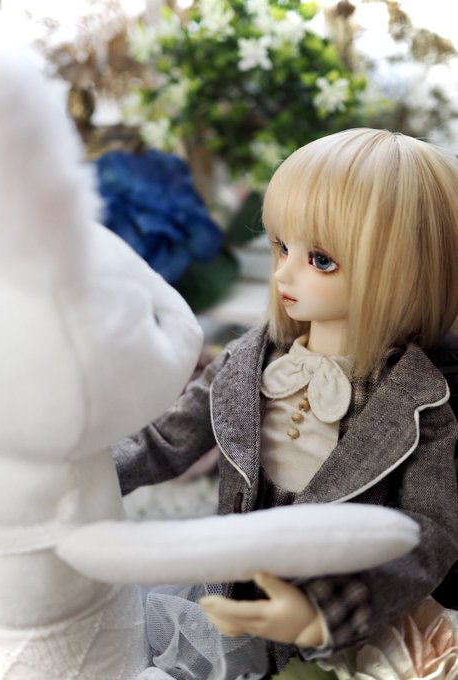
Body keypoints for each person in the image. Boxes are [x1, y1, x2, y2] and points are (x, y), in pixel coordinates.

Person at [113, 128, 458, 676]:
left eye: (320, 259)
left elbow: (429, 534)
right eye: (281, 246)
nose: (282, 273)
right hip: (226, 584)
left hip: (333, 615)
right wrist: (85, 475)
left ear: (402, 273)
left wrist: (321, 613)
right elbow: (165, 440)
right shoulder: (250, 361)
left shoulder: (418, 403)